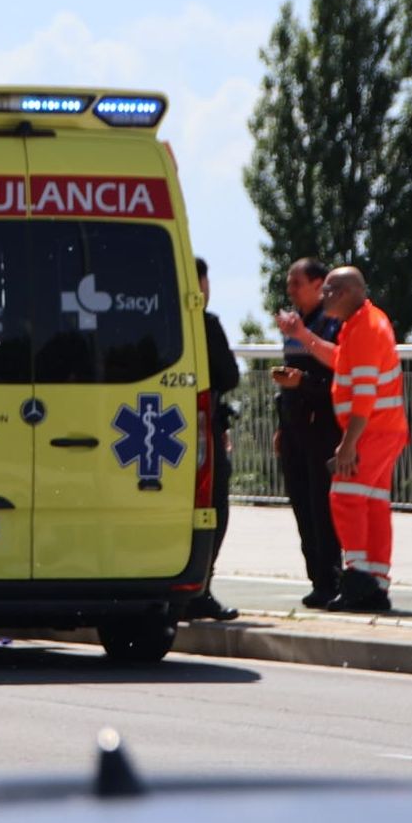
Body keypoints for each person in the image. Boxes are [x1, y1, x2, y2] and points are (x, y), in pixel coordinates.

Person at [308, 266, 408, 612]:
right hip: (385, 428)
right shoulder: (363, 323)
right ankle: (375, 584)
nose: (323, 297)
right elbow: (342, 362)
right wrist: (304, 337)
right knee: (373, 504)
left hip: (372, 430)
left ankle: (359, 578)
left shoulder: (364, 328)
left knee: (345, 497)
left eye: (329, 291)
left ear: (348, 292)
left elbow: (364, 394)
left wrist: (348, 444)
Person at [271, 258, 344, 609]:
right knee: (301, 506)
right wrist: (282, 426)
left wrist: (305, 383)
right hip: (295, 429)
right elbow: (291, 381)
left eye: (297, 283)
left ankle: (331, 580)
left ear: (319, 285)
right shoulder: (296, 328)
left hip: (322, 431)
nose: (291, 289)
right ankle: (316, 578)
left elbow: (339, 379)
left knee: (322, 508)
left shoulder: (332, 326)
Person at [189, 256, 241, 622]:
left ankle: (195, 587)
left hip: (193, 428)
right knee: (212, 506)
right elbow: (228, 375)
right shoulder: (204, 325)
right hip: (198, 428)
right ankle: (200, 588)